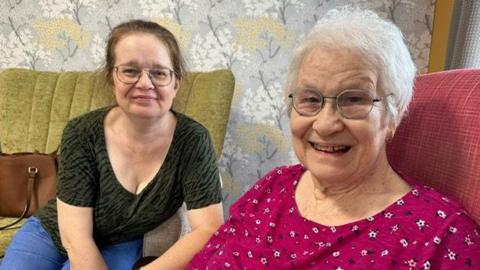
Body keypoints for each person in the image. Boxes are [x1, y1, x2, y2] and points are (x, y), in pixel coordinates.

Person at [189, 7, 480, 270]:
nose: (326, 124)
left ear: (393, 114)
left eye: (354, 99)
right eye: (311, 99)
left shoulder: (443, 239)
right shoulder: (272, 186)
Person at [1, 20, 224, 270]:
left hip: (121, 242)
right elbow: (75, 237)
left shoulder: (193, 140)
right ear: (111, 78)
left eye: (159, 73)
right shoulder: (82, 132)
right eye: (130, 71)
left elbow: (208, 227)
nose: (145, 84)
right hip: (52, 232)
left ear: (176, 83)